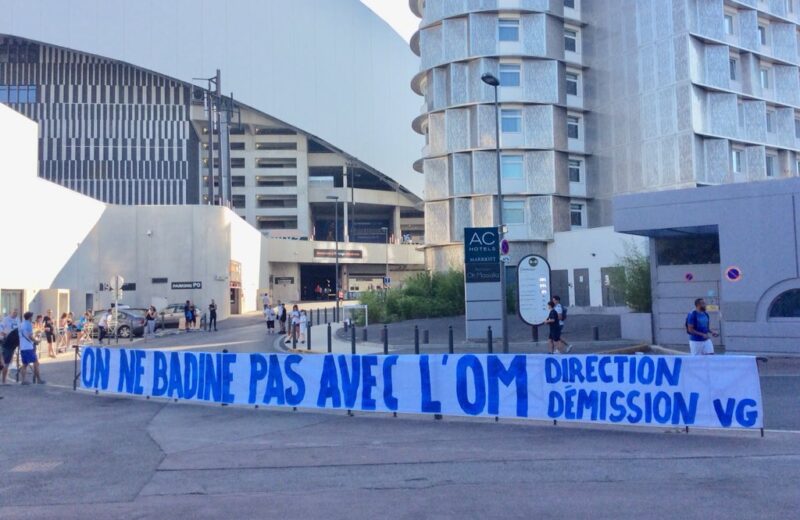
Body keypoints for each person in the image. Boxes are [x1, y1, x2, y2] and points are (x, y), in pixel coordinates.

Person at [18, 311, 45, 385]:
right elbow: (30, 336)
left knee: (25, 364)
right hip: (28, 347)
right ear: (30, 317)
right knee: (36, 363)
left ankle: (23, 380)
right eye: (31, 317)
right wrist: (36, 341)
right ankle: (38, 379)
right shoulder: (28, 324)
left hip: (23, 347)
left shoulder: (21, 324)